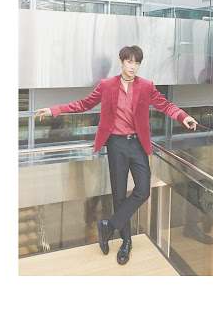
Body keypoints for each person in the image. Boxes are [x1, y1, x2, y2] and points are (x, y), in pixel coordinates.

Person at [34, 45, 197, 265]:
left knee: (143, 190)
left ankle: (108, 226)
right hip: (116, 145)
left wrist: (183, 116)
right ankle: (126, 242)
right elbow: (84, 104)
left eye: (137, 63)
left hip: (138, 145)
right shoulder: (107, 85)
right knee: (119, 195)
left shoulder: (146, 86)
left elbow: (165, 105)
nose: (133, 67)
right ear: (121, 62)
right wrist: (55, 110)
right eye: (129, 62)